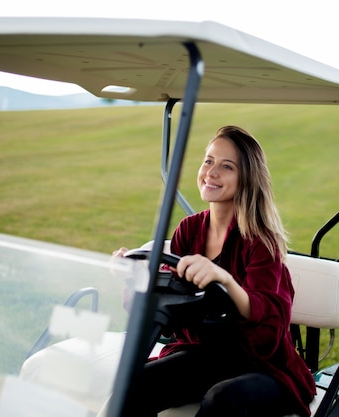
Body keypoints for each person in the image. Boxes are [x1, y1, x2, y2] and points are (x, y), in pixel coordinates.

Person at [114, 126, 316, 417]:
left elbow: (271, 327)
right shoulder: (190, 230)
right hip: (205, 355)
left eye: (227, 166)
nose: (212, 172)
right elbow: (169, 314)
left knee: (223, 400)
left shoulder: (261, 241)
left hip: (263, 366)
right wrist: (134, 278)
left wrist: (225, 280)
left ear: (246, 178)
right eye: (208, 161)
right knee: (133, 385)